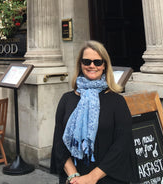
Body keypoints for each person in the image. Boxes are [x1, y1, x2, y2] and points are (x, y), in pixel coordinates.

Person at [50, 40, 138, 184]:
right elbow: (59, 141)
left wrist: (92, 178)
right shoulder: (67, 99)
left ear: (104, 66)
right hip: (73, 178)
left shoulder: (117, 101)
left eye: (97, 62)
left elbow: (122, 144)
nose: (92, 65)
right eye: (87, 61)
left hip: (107, 177)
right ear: (80, 64)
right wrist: (73, 176)